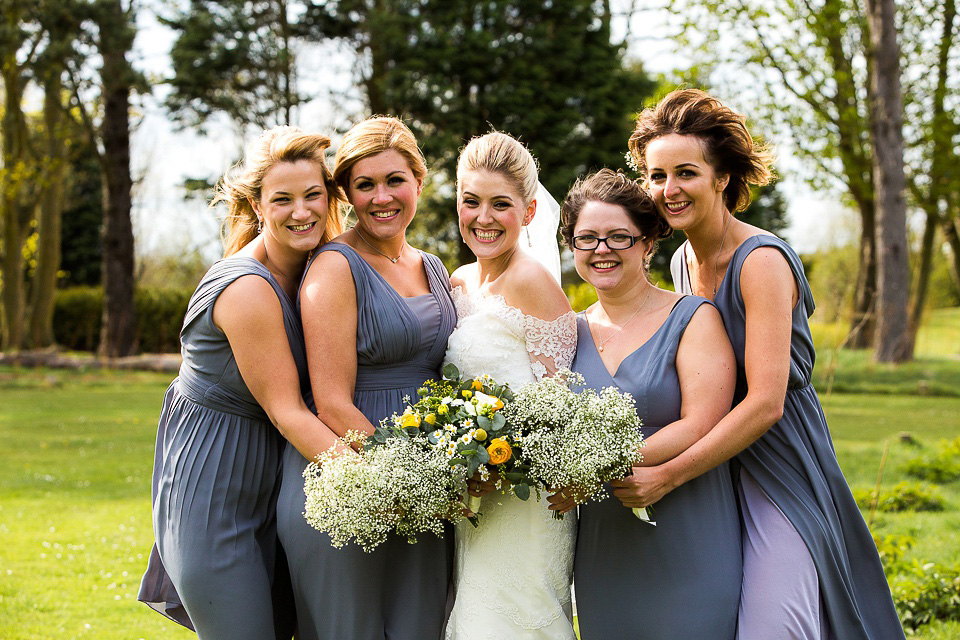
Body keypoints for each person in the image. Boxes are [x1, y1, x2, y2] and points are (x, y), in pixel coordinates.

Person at [627, 88, 905, 639]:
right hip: (719, 465)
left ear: (722, 177)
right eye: (656, 176)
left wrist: (667, 474)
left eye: (686, 172)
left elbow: (766, 401)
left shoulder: (761, 262)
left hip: (782, 461)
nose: (669, 190)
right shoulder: (684, 260)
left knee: (776, 626)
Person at [138, 126, 347, 639]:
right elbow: (288, 411)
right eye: (283, 199)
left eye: (312, 195)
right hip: (213, 497)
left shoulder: (320, 274)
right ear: (257, 205)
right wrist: (384, 481)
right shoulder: (247, 288)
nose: (302, 211)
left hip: (276, 492)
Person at [276, 116, 457, 640]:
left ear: (419, 182)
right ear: (346, 194)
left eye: (395, 180)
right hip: (351, 477)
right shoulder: (334, 266)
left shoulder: (433, 267)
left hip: (425, 479)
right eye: (365, 185)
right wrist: (408, 481)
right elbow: (330, 403)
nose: (382, 197)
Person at [557, 169, 741, 639]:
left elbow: (702, 421)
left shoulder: (693, 318)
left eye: (619, 236)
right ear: (572, 247)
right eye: (587, 238)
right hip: (605, 550)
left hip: (689, 537)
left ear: (647, 242)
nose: (602, 249)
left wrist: (593, 469)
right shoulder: (566, 334)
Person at [442, 131, 579, 639]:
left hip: (527, 500)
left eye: (501, 204)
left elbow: (556, 408)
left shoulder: (533, 281)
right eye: (471, 201)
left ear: (527, 213)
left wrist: (496, 467)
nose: (483, 217)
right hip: (473, 497)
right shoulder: (458, 281)